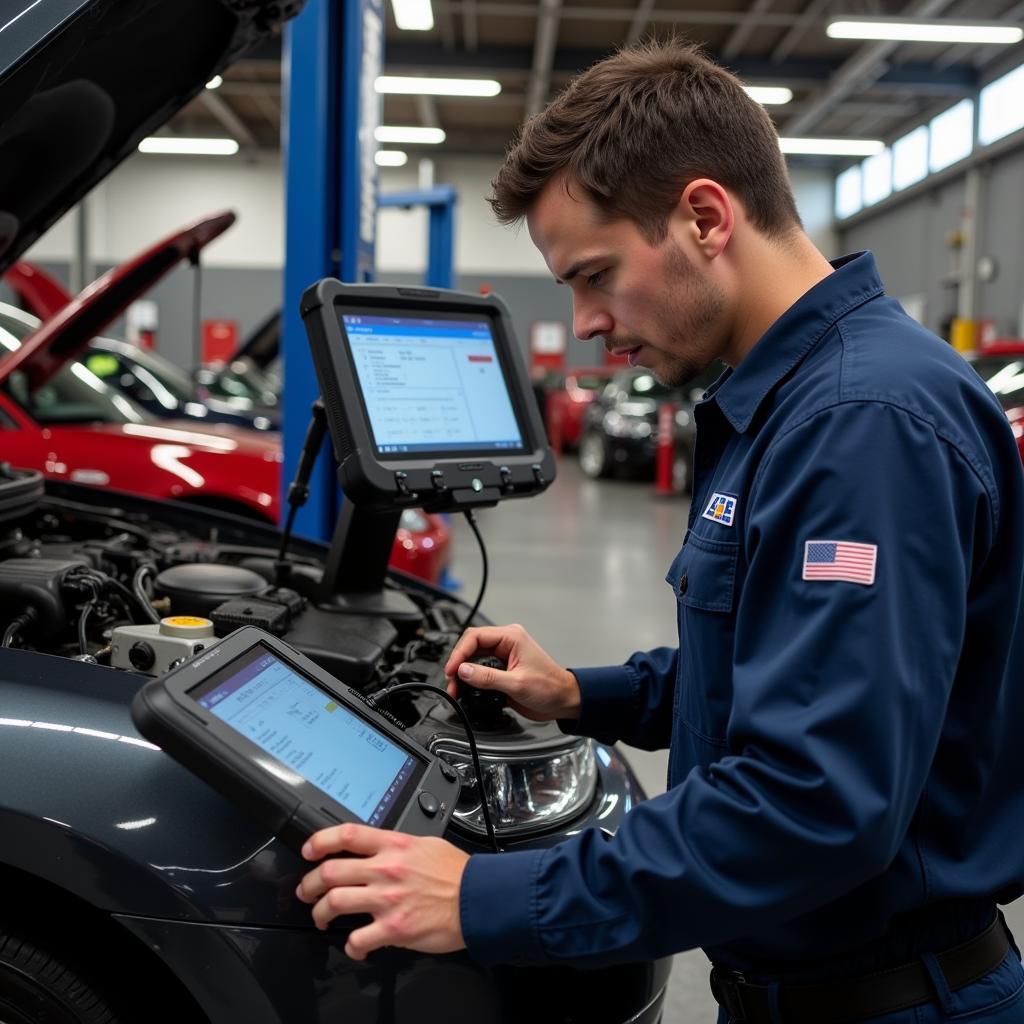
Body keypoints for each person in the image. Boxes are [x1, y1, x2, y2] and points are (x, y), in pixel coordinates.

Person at [295, 40, 1024, 1022]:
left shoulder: (860, 424)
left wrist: (481, 897)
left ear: (704, 217)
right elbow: (781, 671)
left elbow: (811, 805)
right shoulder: (789, 402)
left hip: (886, 1001)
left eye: (595, 275)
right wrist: (580, 695)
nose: (584, 321)